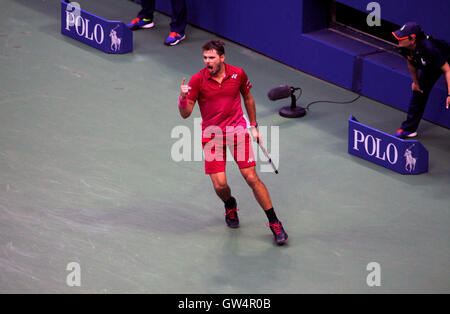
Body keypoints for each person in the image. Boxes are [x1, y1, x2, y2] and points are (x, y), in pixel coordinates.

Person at [177, 40, 288, 245]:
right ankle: (230, 204)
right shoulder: (197, 81)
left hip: (237, 130)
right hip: (212, 135)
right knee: (220, 185)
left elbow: (248, 98)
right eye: (205, 58)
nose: (207, 62)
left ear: (222, 57)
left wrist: (253, 125)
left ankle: (275, 222)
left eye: (211, 57)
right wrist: (183, 98)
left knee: (251, 177)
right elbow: (185, 114)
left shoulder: (238, 74)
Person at [392, 22, 450, 139]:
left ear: (412, 39)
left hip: (446, 60)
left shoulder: (429, 48)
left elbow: (447, 70)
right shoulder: (404, 48)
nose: (398, 40)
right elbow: (411, 64)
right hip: (430, 65)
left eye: (401, 38)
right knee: (418, 93)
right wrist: (416, 83)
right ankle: (408, 129)